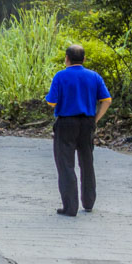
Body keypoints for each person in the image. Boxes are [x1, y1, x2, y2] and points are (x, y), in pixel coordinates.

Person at [45, 44, 112, 217]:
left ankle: (70, 207)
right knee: (87, 162)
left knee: (65, 164)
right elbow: (107, 100)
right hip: (87, 122)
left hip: (66, 122)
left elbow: (51, 102)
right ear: (84, 59)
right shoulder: (94, 76)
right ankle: (88, 202)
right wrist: (95, 119)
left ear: (66, 58)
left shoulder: (60, 76)